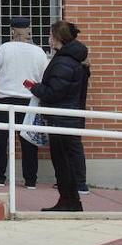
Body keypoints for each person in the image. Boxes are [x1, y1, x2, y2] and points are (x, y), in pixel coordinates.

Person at [27, 20, 89, 211]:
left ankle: (69, 201)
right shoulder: (74, 60)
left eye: (50, 35)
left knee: (63, 162)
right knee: (66, 160)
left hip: (61, 119)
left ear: (57, 38)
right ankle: (70, 201)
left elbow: (54, 92)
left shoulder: (62, 62)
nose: (48, 39)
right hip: (70, 117)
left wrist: (34, 87)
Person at [0, 16, 48, 189]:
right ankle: (30, 180)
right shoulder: (39, 51)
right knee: (28, 142)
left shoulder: (5, 48)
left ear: (12, 31)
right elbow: (43, 78)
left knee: (1, 140)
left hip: (5, 100)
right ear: (29, 30)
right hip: (29, 101)